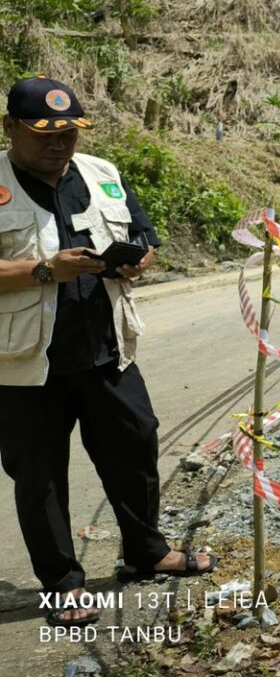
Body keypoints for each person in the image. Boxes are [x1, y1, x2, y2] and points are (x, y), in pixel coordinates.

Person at [0, 76, 217, 629]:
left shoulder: (103, 174)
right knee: (41, 475)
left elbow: (144, 237)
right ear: (10, 129)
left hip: (106, 349)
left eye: (68, 133)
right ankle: (63, 587)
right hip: (27, 363)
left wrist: (138, 261)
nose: (58, 144)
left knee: (136, 442)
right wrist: (45, 270)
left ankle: (146, 550)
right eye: (43, 134)